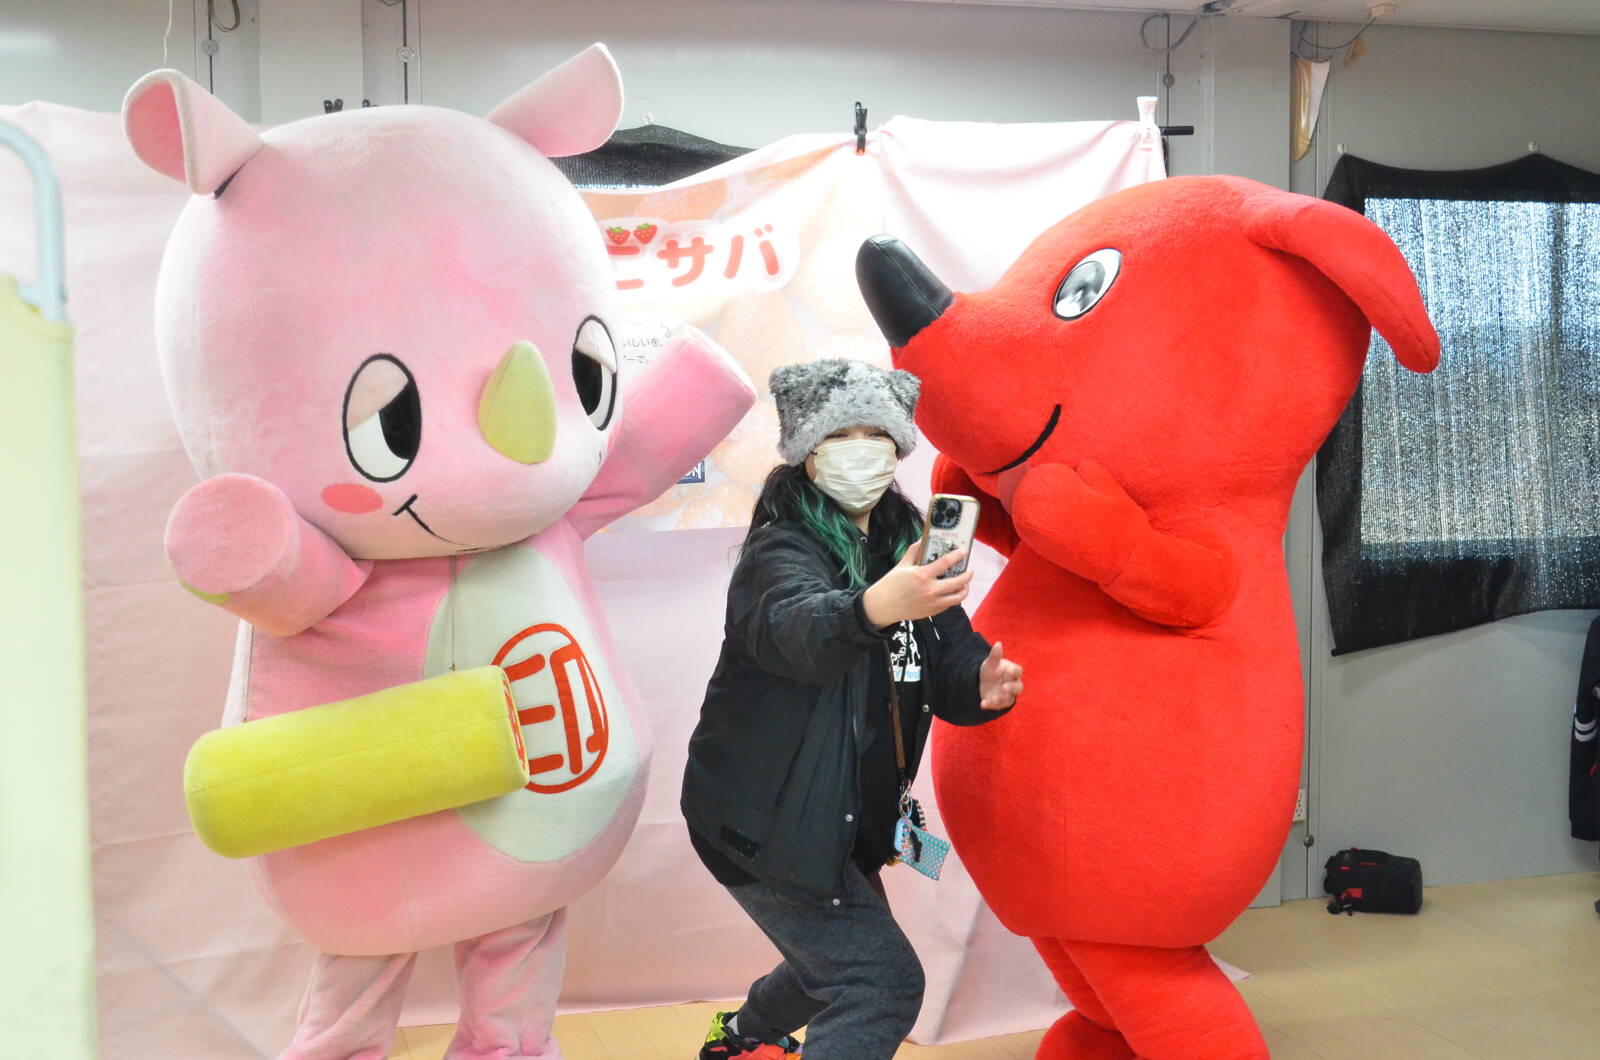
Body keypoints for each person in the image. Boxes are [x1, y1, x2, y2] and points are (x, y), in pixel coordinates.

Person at [681, 358, 1024, 1060]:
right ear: (809, 453)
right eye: (841, 435)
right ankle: (744, 1037)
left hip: (843, 817)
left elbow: (948, 662)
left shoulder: (908, 549)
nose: (861, 449)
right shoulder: (780, 549)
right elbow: (798, 631)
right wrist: (873, 606)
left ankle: (740, 1040)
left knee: (837, 964)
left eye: (876, 435)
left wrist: (980, 685)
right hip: (764, 821)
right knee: (878, 981)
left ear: (898, 449)